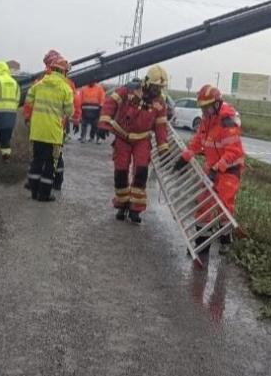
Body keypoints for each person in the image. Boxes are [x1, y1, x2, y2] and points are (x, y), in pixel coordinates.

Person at [173, 85, 245, 250]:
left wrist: (216, 169)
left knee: (224, 205)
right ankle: (202, 241)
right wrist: (185, 157)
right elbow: (198, 141)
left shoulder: (227, 122)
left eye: (207, 107)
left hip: (229, 170)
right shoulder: (207, 120)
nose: (204, 110)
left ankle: (225, 241)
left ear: (217, 104)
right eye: (202, 107)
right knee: (203, 201)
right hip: (212, 166)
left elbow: (233, 151)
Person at [99, 66, 170, 223]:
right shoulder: (128, 90)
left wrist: (163, 147)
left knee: (141, 171)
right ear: (146, 83)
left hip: (142, 139)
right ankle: (122, 205)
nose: (157, 90)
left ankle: (135, 209)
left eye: (160, 88)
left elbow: (160, 126)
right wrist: (104, 123)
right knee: (121, 171)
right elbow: (110, 104)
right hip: (122, 137)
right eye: (155, 87)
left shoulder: (160, 103)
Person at [24, 57, 75, 202]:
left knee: (37, 161)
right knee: (50, 164)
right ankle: (44, 194)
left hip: (37, 131)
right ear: (63, 72)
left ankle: (34, 191)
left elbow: (28, 100)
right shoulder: (65, 88)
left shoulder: (39, 84)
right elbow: (70, 112)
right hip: (53, 133)